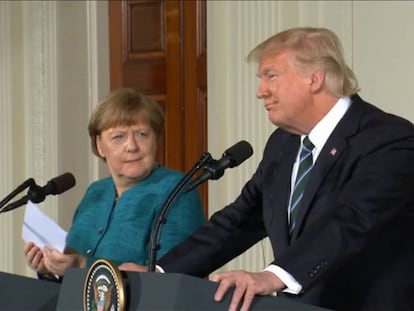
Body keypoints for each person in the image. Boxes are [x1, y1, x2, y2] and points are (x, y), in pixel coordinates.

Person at [119, 27, 414, 311]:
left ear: (315, 78)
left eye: (271, 76)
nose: (261, 91)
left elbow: (352, 220)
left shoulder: (389, 139)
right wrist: (160, 272)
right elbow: (240, 219)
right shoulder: (284, 144)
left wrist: (273, 276)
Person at [24, 88, 206, 280]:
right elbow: (72, 266)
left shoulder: (178, 189)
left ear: (156, 139)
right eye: (118, 137)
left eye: (142, 134)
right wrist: (52, 269)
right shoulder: (95, 192)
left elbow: (176, 274)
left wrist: (83, 265)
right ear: (100, 145)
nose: (132, 146)